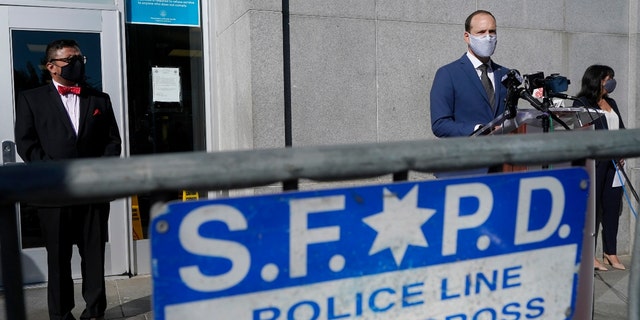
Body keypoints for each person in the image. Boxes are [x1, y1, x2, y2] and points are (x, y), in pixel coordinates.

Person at [14, 39, 122, 320]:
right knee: (58, 259)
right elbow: (27, 144)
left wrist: (97, 172)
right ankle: (61, 315)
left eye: (79, 59)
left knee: (94, 256)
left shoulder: (100, 99)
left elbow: (113, 142)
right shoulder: (31, 99)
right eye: (69, 60)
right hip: (54, 193)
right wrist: (57, 172)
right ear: (51, 66)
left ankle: (95, 311)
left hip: (93, 191)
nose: (77, 65)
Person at [429, 10, 510, 176]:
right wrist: (478, 129)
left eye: (492, 31)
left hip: (502, 169)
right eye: (481, 32)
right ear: (467, 36)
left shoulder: (506, 74)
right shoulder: (448, 74)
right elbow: (440, 124)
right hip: (462, 170)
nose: (488, 37)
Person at [572, 65, 626, 271]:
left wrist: (622, 151)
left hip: (615, 163)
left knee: (612, 207)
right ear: (596, 80)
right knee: (592, 209)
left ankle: (610, 252)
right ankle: (589, 254)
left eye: (612, 78)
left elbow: (620, 129)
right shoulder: (582, 103)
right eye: (607, 78)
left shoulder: (611, 102)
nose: (611, 82)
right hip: (595, 163)